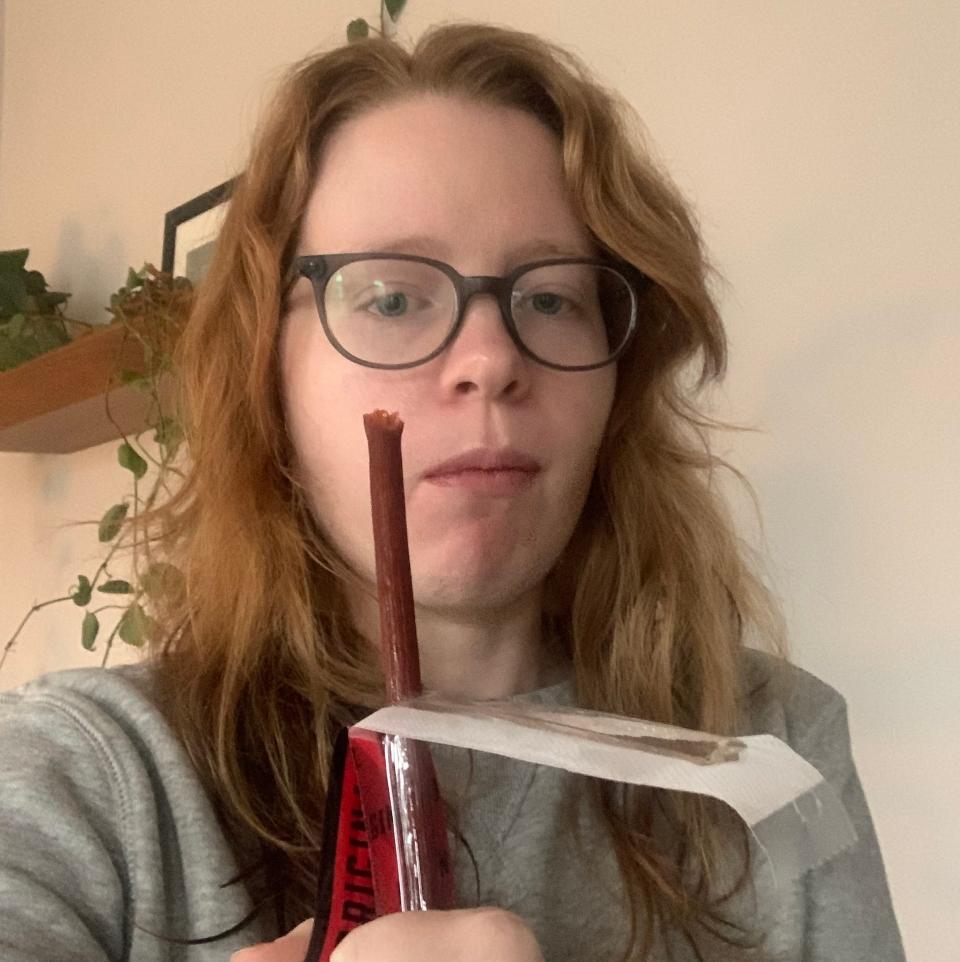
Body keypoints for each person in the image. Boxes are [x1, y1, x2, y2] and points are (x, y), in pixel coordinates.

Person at [0, 22, 904, 962]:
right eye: (390, 298)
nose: (490, 359)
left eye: (552, 296)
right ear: (265, 373)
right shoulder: (87, 778)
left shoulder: (776, 746)